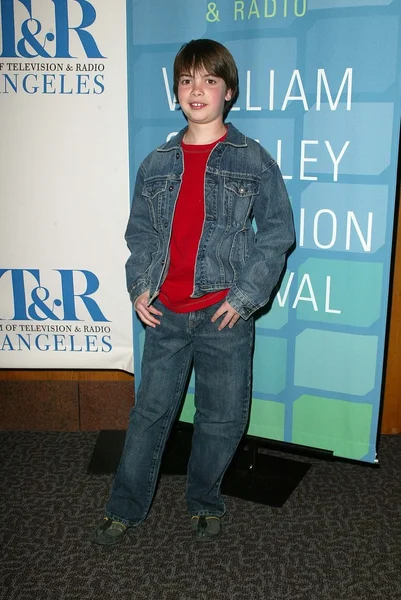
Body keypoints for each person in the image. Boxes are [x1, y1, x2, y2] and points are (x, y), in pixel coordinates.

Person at [90, 38, 294, 545]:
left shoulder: (253, 160)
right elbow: (140, 234)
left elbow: (276, 233)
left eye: (209, 79)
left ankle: (204, 500)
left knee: (222, 418)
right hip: (165, 314)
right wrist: (140, 287)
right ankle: (124, 509)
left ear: (229, 91)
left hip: (224, 314)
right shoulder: (157, 163)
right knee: (149, 415)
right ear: (176, 92)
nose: (196, 89)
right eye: (186, 80)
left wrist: (243, 299)